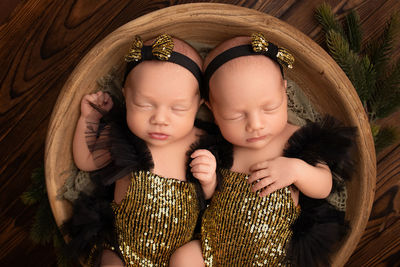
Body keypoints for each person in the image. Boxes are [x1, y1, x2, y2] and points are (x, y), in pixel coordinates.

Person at [170, 33, 355, 267]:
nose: (255, 124)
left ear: (284, 92)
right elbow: (207, 199)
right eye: (236, 115)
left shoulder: (296, 137)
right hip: (212, 247)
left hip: (273, 256)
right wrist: (207, 180)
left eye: (269, 108)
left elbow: (324, 186)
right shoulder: (220, 147)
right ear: (212, 110)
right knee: (182, 259)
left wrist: (297, 170)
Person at [65, 34, 218, 267]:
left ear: (198, 105)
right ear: (126, 95)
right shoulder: (124, 135)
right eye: (145, 105)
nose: (160, 119)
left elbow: (212, 199)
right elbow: (86, 161)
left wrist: (209, 180)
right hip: (121, 248)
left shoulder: (203, 141)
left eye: (178, 108)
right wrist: (90, 118)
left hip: (179, 253)